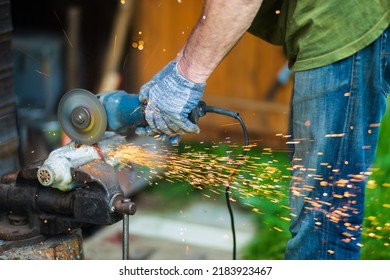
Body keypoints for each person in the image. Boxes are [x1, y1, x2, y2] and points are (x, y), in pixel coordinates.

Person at [135, 0, 390, 260]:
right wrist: (177, 70)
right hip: (325, 22)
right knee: (313, 197)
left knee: (323, 221)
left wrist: (183, 80)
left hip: (341, 22)